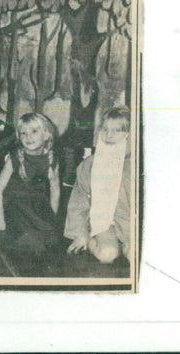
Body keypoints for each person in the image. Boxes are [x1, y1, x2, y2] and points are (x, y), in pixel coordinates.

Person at [65, 107, 133, 263]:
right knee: (107, 254)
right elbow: (79, 200)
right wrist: (81, 232)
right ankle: (97, 241)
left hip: (126, 221)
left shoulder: (133, 165)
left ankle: (126, 245)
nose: (109, 136)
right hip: (101, 221)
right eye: (105, 130)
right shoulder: (91, 164)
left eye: (117, 131)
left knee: (133, 255)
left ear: (129, 134)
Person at [0, 112, 61, 254]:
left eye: (34, 131)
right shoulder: (15, 158)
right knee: (29, 241)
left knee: (52, 240)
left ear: (47, 134)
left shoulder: (51, 159)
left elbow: (55, 190)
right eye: (23, 133)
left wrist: (51, 216)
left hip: (38, 206)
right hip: (15, 206)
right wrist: (0, 221)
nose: (28, 136)